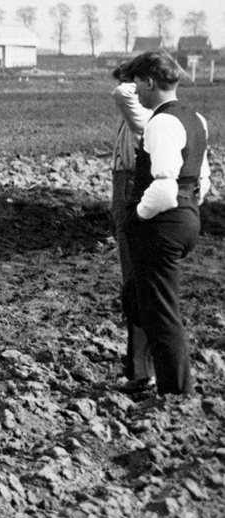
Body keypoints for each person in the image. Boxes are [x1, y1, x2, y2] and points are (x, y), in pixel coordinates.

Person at [120, 51, 212, 404]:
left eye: (137, 84)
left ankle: (176, 393)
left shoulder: (161, 123)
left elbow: (163, 187)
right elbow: (202, 176)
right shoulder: (196, 119)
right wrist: (188, 211)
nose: (134, 92)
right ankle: (150, 374)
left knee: (162, 314)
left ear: (150, 82)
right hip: (186, 218)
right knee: (137, 298)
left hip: (162, 222)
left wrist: (136, 217)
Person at [109, 62, 153, 393]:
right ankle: (138, 368)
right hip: (122, 191)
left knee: (137, 288)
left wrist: (136, 80)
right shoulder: (133, 120)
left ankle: (143, 372)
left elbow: (123, 93)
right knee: (133, 288)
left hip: (130, 194)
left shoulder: (144, 118)